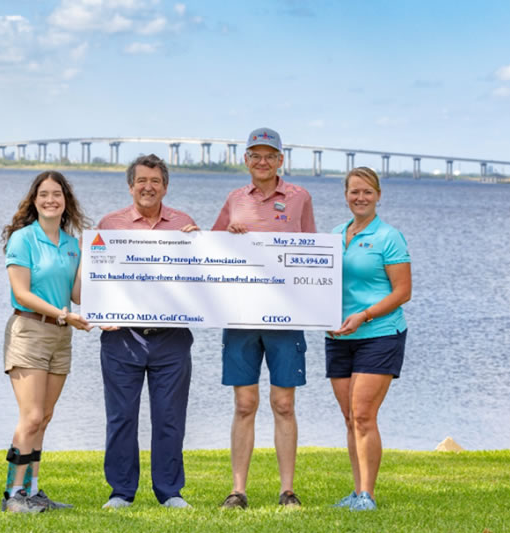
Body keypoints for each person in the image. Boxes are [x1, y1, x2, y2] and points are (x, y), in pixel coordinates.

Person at [212, 128, 316, 509]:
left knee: (284, 404)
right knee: (244, 403)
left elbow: (312, 252)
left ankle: (287, 490)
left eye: (269, 155)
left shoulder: (300, 197)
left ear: (281, 160)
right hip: (240, 316)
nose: (262, 161)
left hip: (285, 317)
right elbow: (212, 249)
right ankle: (237, 490)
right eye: (255, 155)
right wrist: (228, 233)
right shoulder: (234, 199)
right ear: (246, 160)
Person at [97, 154, 199, 509]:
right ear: (130, 186)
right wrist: (97, 311)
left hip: (171, 338)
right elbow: (97, 279)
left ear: (165, 187)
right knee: (121, 416)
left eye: (155, 181)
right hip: (121, 336)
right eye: (141, 180)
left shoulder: (185, 224)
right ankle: (121, 492)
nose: (148, 187)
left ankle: (170, 491)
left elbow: (201, 281)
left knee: (169, 417)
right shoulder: (109, 225)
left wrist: (202, 246)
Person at [0, 171, 92, 513]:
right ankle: (13, 495)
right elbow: (21, 292)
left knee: (46, 416)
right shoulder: (23, 239)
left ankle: (34, 491)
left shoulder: (70, 245)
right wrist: (64, 315)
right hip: (29, 332)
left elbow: (77, 295)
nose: (51, 199)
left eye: (57, 194)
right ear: (34, 200)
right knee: (31, 416)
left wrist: (87, 259)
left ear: (66, 201)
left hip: (61, 335)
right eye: (44, 194)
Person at [327, 166, 412, 512]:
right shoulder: (336, 234)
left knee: (363, 415)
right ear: (345, 195)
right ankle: (356, 491)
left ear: (378, 195)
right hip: (339, 337)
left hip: (379, 334)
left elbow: (403, 291)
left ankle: (369, 495)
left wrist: (364, 315)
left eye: (367, 192)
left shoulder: (390, 237)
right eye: (354, 192)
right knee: (350, 417)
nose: (360, 198)